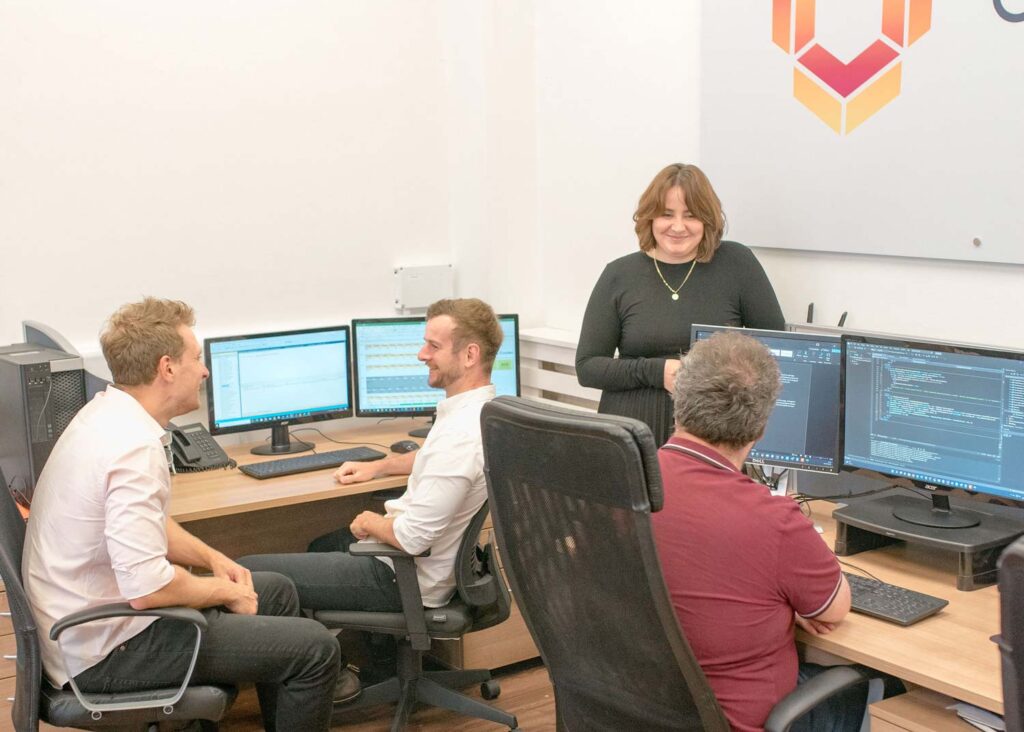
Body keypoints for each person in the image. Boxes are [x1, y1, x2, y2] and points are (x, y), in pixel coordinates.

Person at [22, 298, 343, 732]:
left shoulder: (105, 416)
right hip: (107, 651)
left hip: (92, 630)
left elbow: (145, 525)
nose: (205, 370)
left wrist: (215, 561)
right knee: (316, 649)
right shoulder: (132, 449)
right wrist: (220, 592)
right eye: (196, 358)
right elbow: (148, 588)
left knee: (276, 591)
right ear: (167, 367)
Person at [239, 298, 503, 683]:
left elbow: (412, 538)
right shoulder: (474, 414)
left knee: (251, 571)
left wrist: (370, 522)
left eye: (433, 346)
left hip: (403, 575)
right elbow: (431, 460)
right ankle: (353, 666)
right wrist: (378, 466)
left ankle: (315, 676)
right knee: (321, 545)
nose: (421, 354)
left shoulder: (461, 437)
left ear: (469, 355)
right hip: (414, 565)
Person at [651, 331, 867, 732]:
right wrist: (789, 604)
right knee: (858, 686)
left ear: (678, 403)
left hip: (640, 706)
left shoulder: (626, 487)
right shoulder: (775, 521)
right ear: (762, 427)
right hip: (742, 720)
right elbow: (835, 610)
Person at [575, 163, 784, 446]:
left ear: (708, 221)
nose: (677, 226)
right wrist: (659, 371)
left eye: (691, 215)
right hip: (632, 435)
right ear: (649, 218)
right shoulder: (619, 274)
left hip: (715, 433)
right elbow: (587, 367)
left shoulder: (738, 264)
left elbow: (777, 350)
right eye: (666, 214)